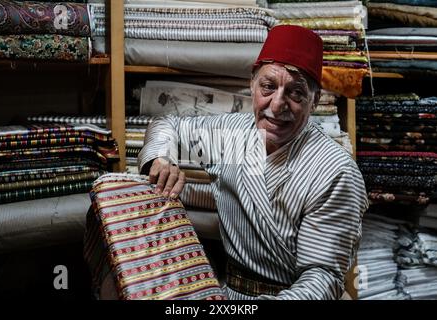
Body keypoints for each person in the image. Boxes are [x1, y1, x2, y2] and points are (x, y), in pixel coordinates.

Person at [137, 25, 369, 300]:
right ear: (252, 83)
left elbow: (322, 277)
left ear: (315, 101)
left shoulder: (334, 171)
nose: (277, 104)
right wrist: (162, 158)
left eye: (296, 93)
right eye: (268, 87)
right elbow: (167, 124)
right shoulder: (232, 138)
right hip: (230, 294)